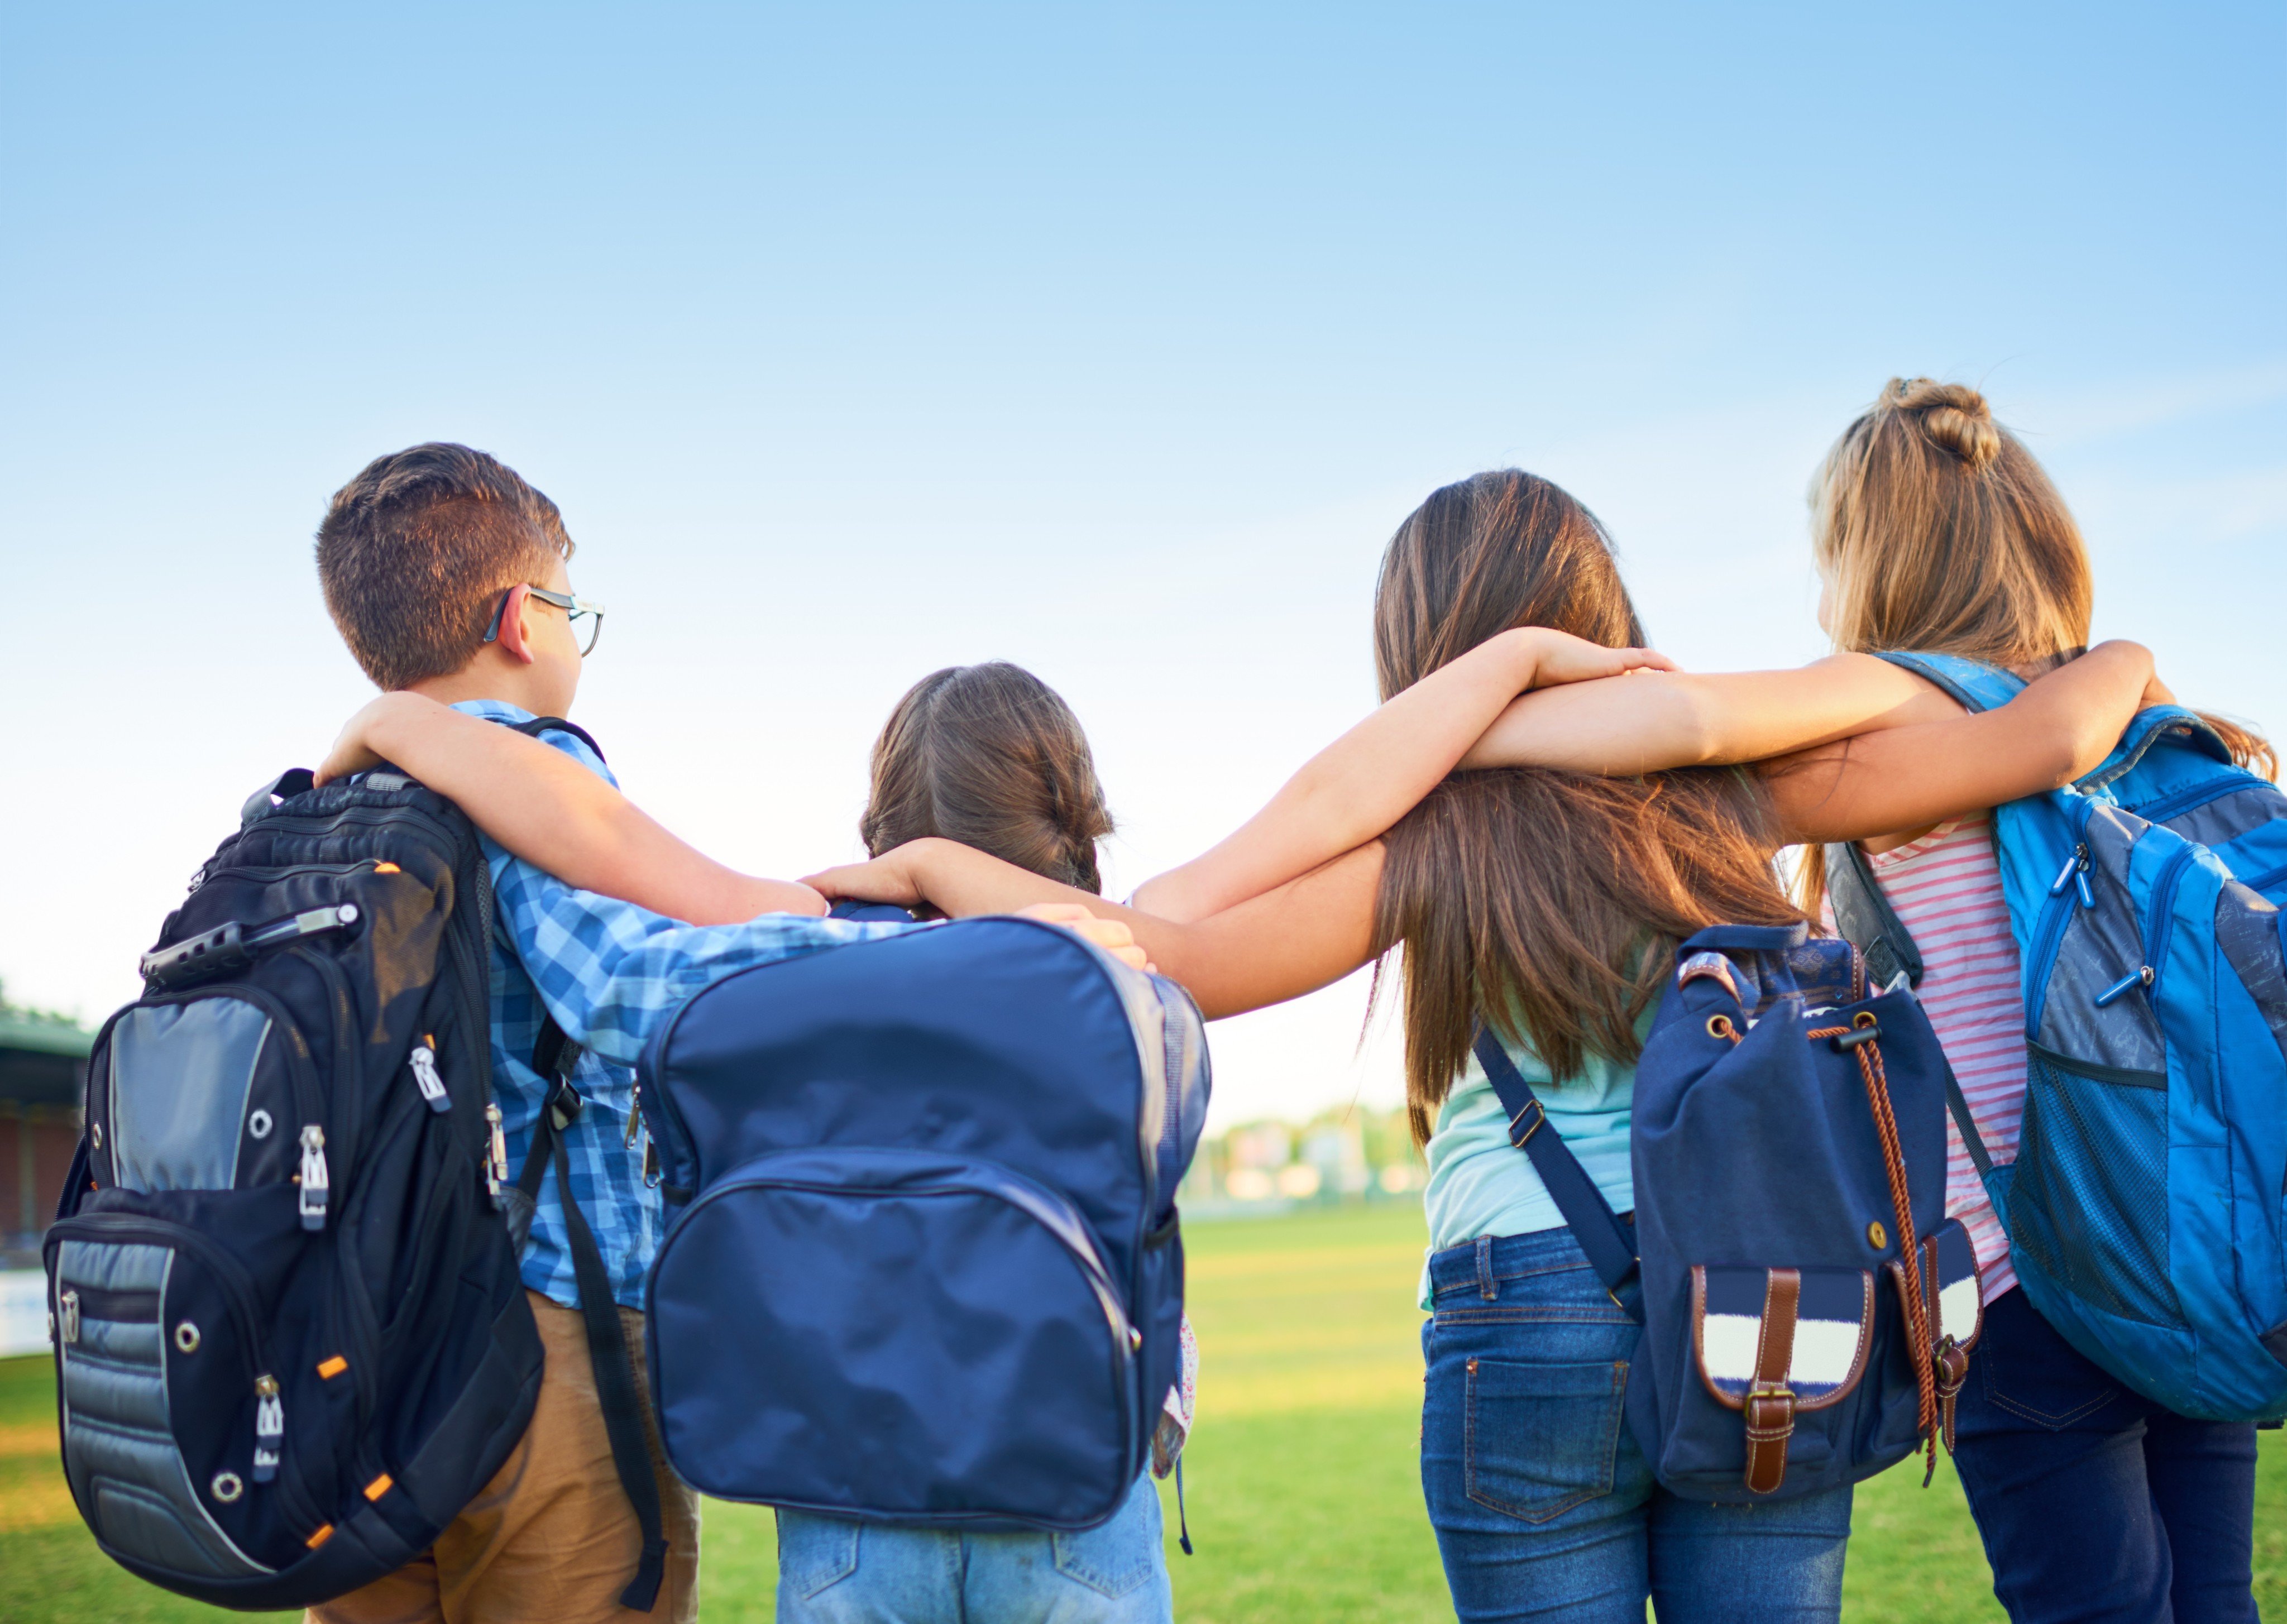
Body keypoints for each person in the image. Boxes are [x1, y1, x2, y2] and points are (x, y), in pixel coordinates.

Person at [801, 470, 2166, 1622]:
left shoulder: (1420, 844)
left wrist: (929, 860)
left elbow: (1164, 936)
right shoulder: (1730, 792)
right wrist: (2127, 661)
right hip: (1766, 1286)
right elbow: (2046, 734)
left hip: (1521, 1301)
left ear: (1415, 648)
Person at [304, 443, 1144, 1624]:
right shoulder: (520, 774)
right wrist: (956, 952)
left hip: (347, 1347)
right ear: (518, 618)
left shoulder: (335, 798)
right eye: (570, 609)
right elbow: (632, 986)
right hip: (531, 1342)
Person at [1791, 380, 2267, 1624]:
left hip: (2016, 1286)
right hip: (2184, 1250)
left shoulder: (1894, 761)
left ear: (1866, 558)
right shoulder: (2140, 736)